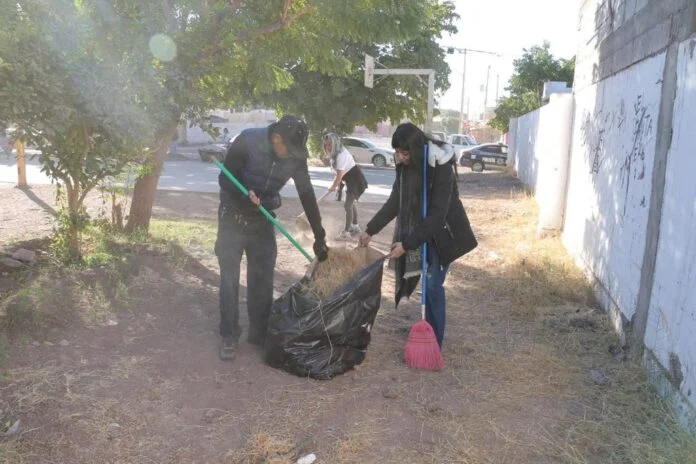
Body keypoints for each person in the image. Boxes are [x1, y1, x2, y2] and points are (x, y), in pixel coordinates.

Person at [215, 115, 329, 361]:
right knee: (229, 278)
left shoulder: (295, 156)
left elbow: (307, 193)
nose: (291, 156)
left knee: (262, 277)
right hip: (232, 217)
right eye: (289, 150)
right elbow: (224, 178)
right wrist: (246, 194)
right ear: (276, 138)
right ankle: (229, 334)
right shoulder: (247, 140)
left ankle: (258, 333)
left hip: (262, 218)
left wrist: (319, 235)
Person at [358, 123, 477, 348]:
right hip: (421, 229)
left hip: (444, 234)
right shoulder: (405, 165)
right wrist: (370, 229)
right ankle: (428, 330)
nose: (400, 157)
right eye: (397, 152)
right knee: (427, 282)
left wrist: (407, 243)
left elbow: (437, 216)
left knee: (433, 284)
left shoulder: (440, 164)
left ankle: (434, 341)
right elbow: (395, 201)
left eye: (404, 153)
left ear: (416, 149)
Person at [322, 133, 368, 240]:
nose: (328, 147)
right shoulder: (336, 154)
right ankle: (355, 227)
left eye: (330, 145)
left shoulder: (341, 155)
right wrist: (337, 186)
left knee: (347, 205)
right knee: (350, 204)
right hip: (349, 180)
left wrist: (334, 186)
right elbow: (340, 175)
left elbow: (339, 175)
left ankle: (347, 232)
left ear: (336, 144)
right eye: (326, 145)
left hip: (356, 180)